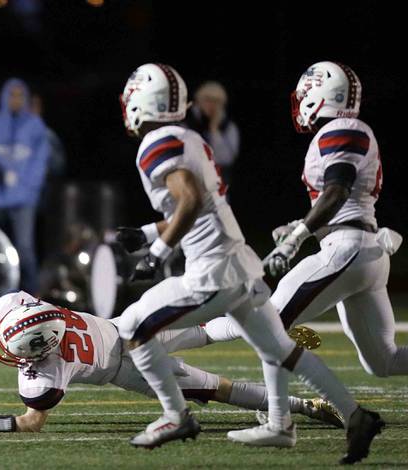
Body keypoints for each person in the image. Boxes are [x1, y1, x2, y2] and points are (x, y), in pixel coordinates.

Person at [112, 63, 381, 463]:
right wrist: (149, 233)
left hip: (212, 271)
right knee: (281, 351)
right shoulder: (188, 137)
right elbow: (197, 203)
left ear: (140, 102)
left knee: (134, 328)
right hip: (240, 263)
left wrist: (157, 254)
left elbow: (187, 200)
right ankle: (356, 416)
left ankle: (176, 416)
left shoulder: (156, 145)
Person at [189, 62, 407, 381]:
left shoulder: (340, 130)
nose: (301, 99)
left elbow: (338, 188)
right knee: (383, 361)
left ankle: (277, 421)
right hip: (365, 252)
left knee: (265, 320)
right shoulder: (346, 131)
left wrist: (297, 238)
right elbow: (343, 200)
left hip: (348, 251)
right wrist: (299, 226)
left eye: (306, 91)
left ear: (321, 94)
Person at [0, 291, 343, 432]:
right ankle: (274, 330)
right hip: (126, 326)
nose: (2, 345)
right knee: (207, 331)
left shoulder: (49, 369)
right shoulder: (27, 312)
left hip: (131, 366)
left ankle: (304, 406)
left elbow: (30, 422)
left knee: (216, 387)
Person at [0, 78, 50, 293]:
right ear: (3, 97)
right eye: (11, 95)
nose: (15, 100)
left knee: (24, 248)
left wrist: (28, 187)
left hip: (24, 198)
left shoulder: (35, 125)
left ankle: (31, 294)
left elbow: (41, 162)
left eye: (20, 96)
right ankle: (1, 295)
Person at [185, 81, 239, 190]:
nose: (212, 105)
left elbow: (225, 159)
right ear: (198, 100)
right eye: (207, 99)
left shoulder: (228, 127)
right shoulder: (186, 123)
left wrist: (214, 129)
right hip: (190, 184)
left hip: (217, 188)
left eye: (217, 101)